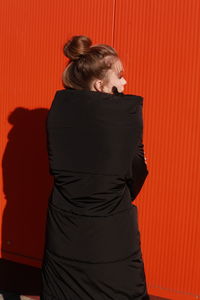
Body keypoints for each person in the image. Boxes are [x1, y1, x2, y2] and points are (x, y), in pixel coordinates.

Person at [40, 35, 150, 300]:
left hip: (64, 224)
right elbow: (136, 173)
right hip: (109, 229)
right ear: (101, 85)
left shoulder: (58, 111)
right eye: (120, 76)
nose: (125, 82)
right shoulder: (123, 116)